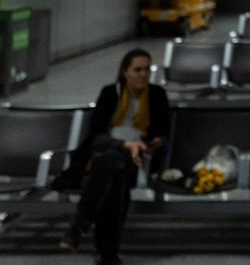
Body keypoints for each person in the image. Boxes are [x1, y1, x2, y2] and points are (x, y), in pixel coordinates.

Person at [57, 49, 170, 265]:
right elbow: (96, 137)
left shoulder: (157, 95)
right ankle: (108, 254)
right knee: (114, 169)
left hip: (139, 157)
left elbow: (163, 134)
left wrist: (151, 144)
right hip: (107, 152)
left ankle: (78, 227)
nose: (143, 74)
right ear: (125, 72)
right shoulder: (110, 93)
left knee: (113, 168)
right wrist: (123, 144)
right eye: (137, 70)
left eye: (147, 69)